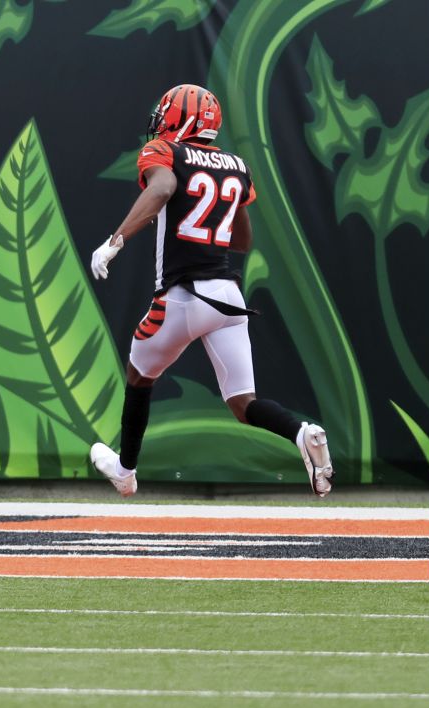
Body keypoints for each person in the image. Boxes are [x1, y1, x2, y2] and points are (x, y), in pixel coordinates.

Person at [87, 84, 333, 498]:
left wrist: (116, 241)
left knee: (138, 376)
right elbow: (241, 240)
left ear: (179, 117)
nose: (160, 121)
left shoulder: (165, 151)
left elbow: (162, 188)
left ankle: (126, 471)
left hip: (182, 296)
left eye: (166, 113)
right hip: (227, 298)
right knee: (243, 402)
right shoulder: (236, 165)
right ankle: (302, 433)